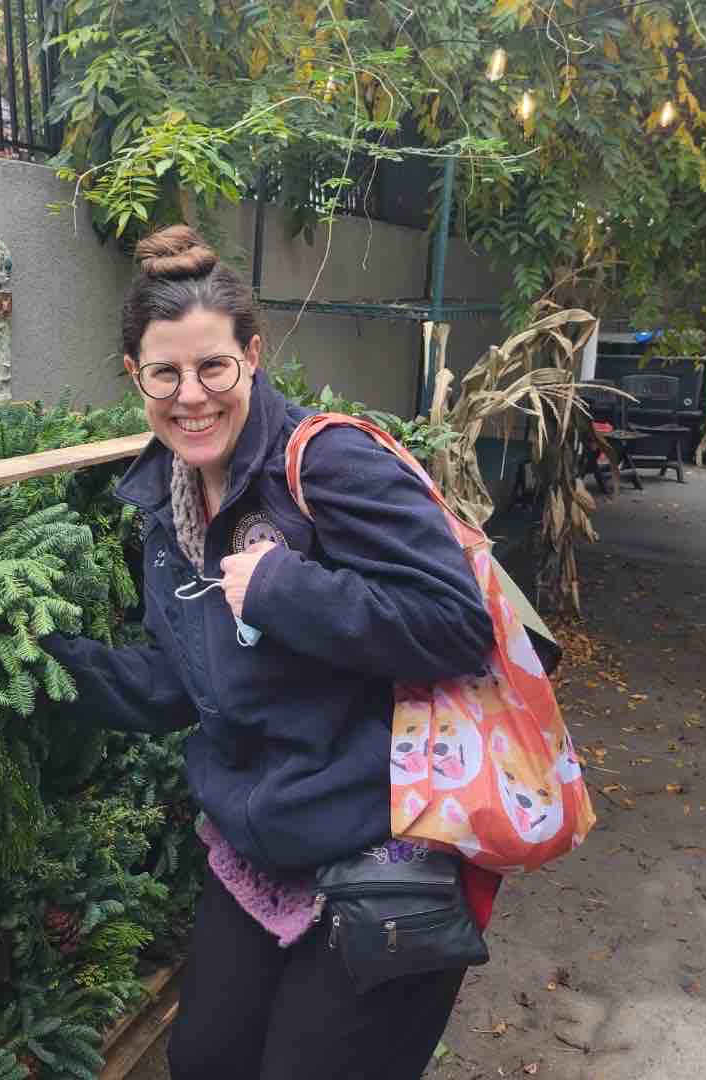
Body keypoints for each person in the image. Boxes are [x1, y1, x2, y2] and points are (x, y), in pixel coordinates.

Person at [43, 224, 497, 1080]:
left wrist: (288, 591)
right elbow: (184, 684)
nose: (191, 396)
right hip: (258, 848)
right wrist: (43, 667)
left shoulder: (327, 464)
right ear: (132, 376)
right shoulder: (167, 506)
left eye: (213, 366)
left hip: (381, 850)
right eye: (164, 373)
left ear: (251, 355)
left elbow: (456, 623)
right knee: (205, 1060)